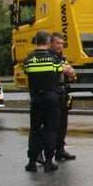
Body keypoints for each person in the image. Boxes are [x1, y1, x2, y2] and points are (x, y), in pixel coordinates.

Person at [22, 30, 65, 172]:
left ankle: (32, 162)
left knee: (35, 130)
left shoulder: (29, 59)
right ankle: (48, 161)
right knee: (51, 129)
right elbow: (60, 71)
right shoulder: (53, 59)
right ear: (48, 42)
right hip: (52, 98)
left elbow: (27, 71)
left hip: (35, 99)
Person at [49, 32, 78, 161]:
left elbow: (72, 76)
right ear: (51, 43)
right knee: (52, 126)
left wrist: (72, 75)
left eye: (62, 43)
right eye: (57, 43)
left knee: (63, 124)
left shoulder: (62, 58)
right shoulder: (49, 58)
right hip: (52, 94)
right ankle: (49, 153)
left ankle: (60, 150)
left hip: (63, 94)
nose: (60, 46)